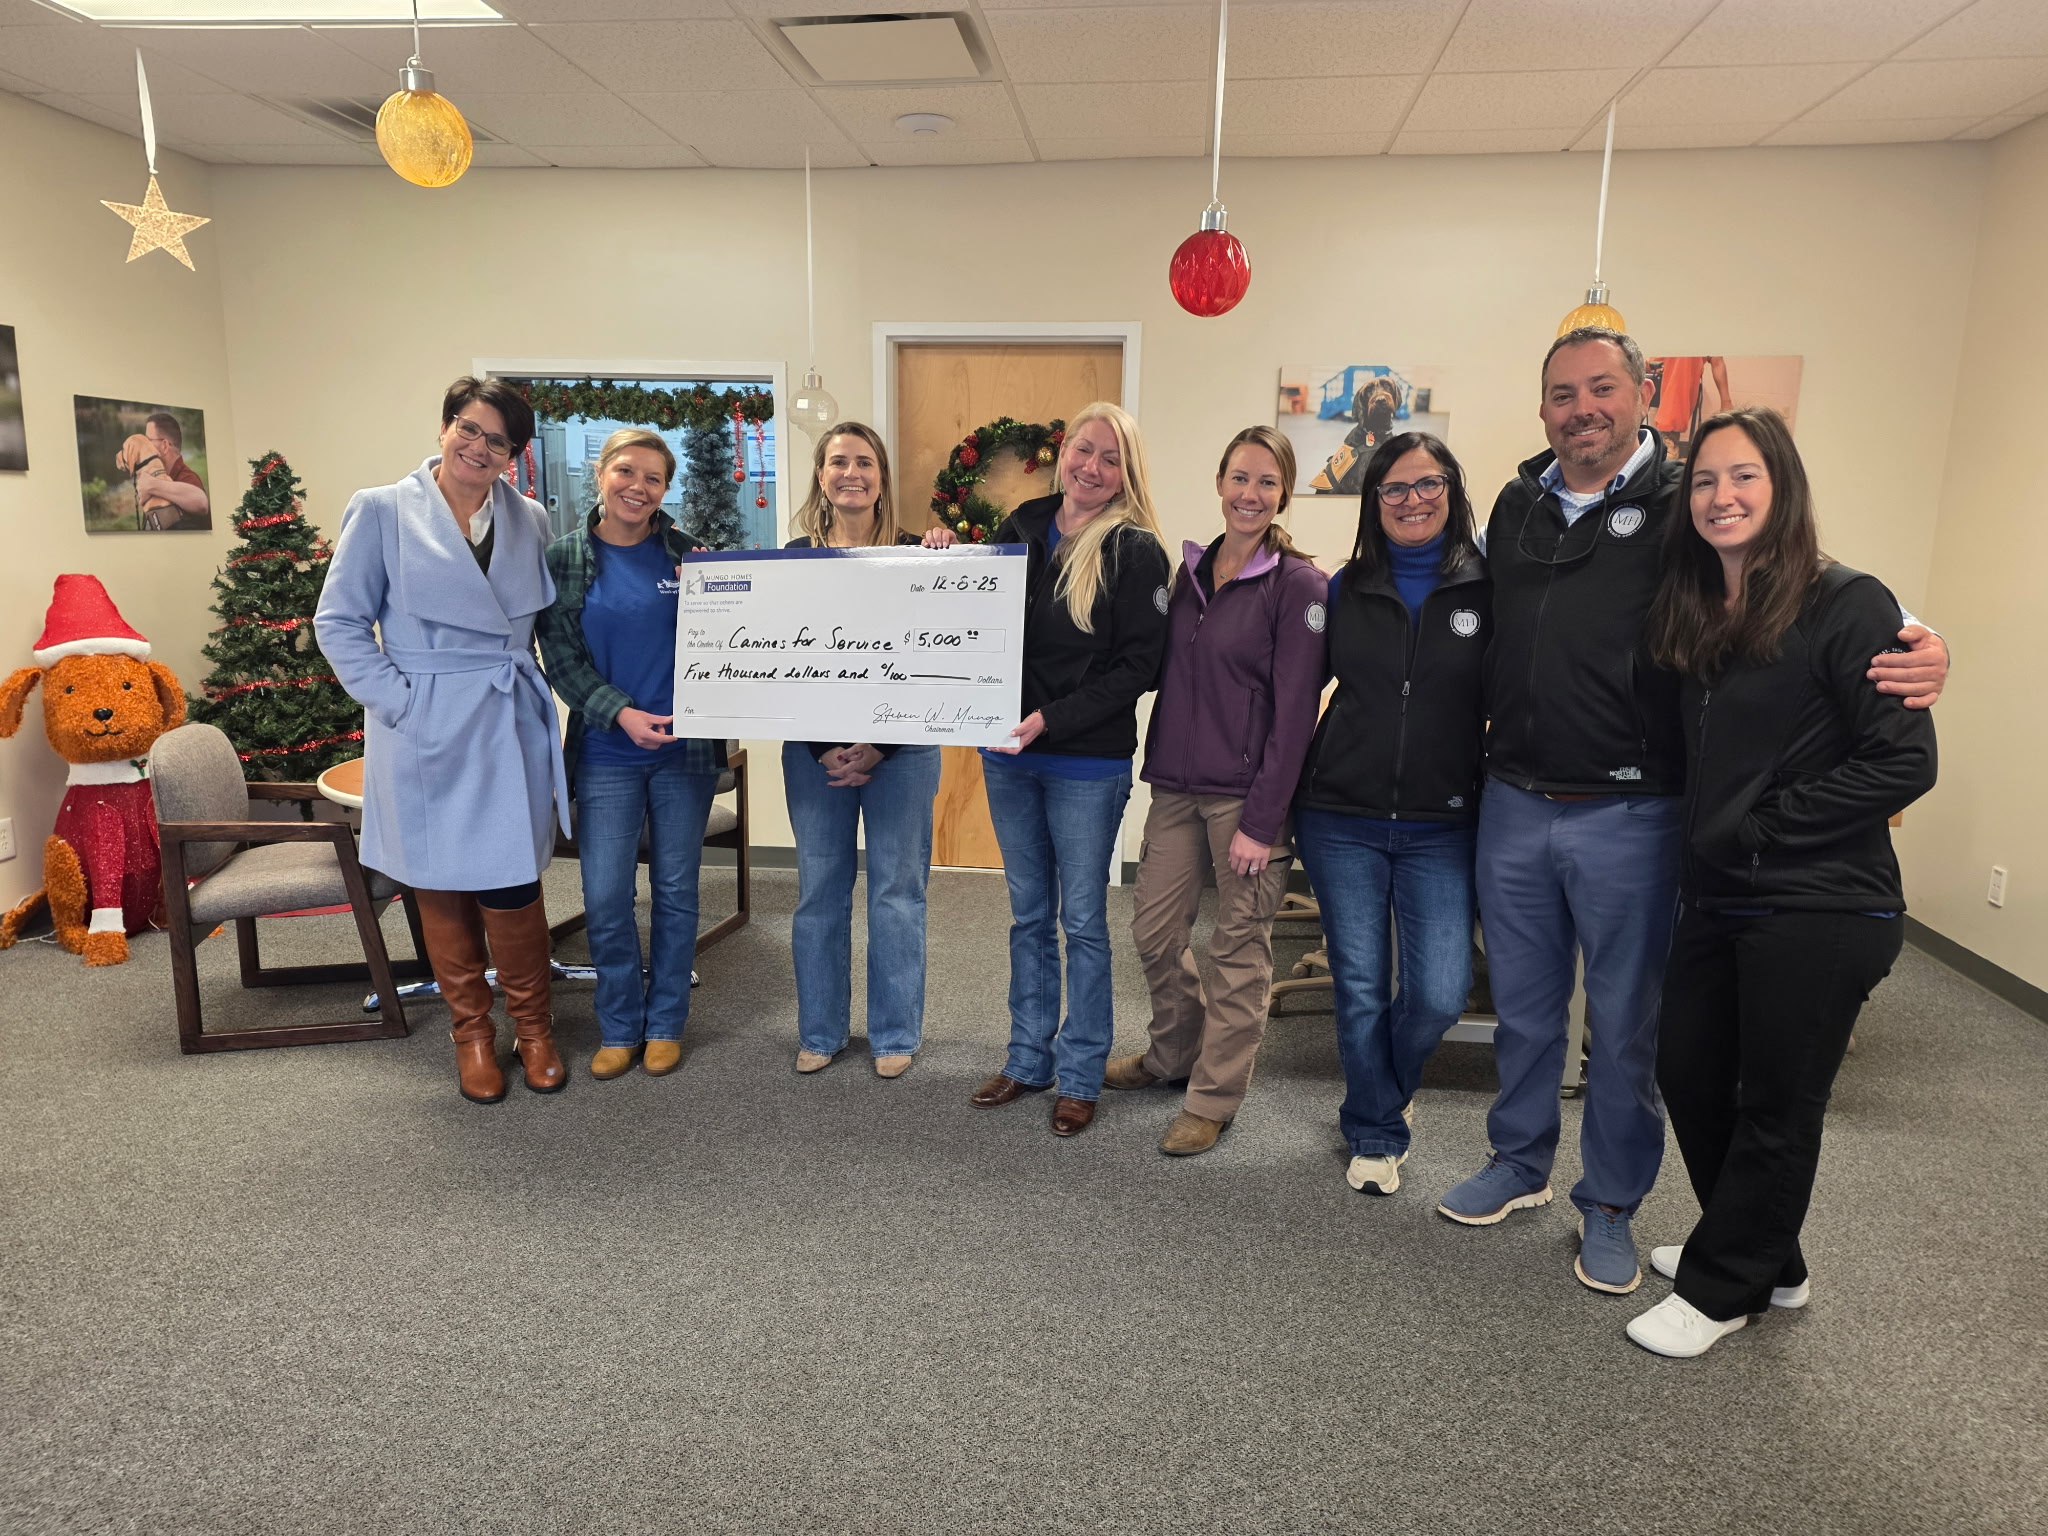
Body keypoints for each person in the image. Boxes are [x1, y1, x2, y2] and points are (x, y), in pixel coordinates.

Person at [1438, 327, 1949, 1296]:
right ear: (1539, 407)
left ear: (1638, 394)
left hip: (1633, 810)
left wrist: (1921, 636)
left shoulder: (1681, 503)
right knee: (1524, 1012)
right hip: (1513, 797)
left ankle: (1611, 1202)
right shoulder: (1514, 505)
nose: (1580, 409)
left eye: (1600, 389)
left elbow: (1801, 575)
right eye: (1560, 394)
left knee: (1626, 1024)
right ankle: (1517, 1162)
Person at [1625, 409, 1936, 1357]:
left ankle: (1728, 1290)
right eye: (1708, 480)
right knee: (1686, 1068)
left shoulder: (1846, 601)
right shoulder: (1700, 610)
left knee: (1776, 1098)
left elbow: (1903, 763)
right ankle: (1771, 1255)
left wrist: (1760, 827)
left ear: (1782, 487)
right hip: (1723, 894)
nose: (1723, 496)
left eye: (1745, 476)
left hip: (1823, 902)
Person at [316, 376, 570, 1104]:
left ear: (514, 454)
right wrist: (399, 703)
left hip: (506, 718)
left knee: (514, 880)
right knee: (439, 883)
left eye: (497, 439)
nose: (478, 446)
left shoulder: (532, 519)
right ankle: (471, 1034)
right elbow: (337, 623)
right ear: (444, 427)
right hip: (423, 721)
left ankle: (535, 1026)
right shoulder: (384, 510)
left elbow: (548, 627)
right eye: (469, 428)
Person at [1106, 425, 1325, 1155]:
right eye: (1239, 478)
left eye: (1266, 482)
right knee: (1154, 932)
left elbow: (1295, 716)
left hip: (1248, 799)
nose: (1250, 494)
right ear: (1220, 481)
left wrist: (1262, 823)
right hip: (1174, 783)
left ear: (1283, 493)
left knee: (1237, 949)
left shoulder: (1299, 585)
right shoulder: (1190, 573)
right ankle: (1172, 1055)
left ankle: (1213, 1095)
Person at [1290, 432, 1489, 1195]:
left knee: (1439, 992)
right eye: (1395, 489)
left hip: (1444, 821)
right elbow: (1295, 691)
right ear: (1374, 502)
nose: (1413, 500)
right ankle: (1375, 1129)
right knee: (1362, 986)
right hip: (1341, 813)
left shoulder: (1486, 587)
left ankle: (1379, 1089)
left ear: (1451, 489)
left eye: (1428, 484)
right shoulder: (1345, 588)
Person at [970, 402, 1171, 1137]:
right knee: (1029, 916)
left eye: (1110, 459)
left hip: (1085, 761)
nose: (1092, 467)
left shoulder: (1134, 549)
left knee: (1082, 921)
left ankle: (1081, 1072)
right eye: (1084, 450)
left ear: (1126, 473)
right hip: (1009, 758)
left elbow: (1139, 668)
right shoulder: (1022, 524)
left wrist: (1050, 719)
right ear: (1064, 452)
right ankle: (1028, 1059)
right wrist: (937, 559)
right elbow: (972, 620)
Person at [536, 428, 726, 1082]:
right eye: (626, 471)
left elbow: (736, 641)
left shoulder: (691, 555)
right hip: (608, 752)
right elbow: (559, 658)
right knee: (607, 893)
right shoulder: (563, 558)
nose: (637, 487)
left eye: (652, 478)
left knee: (676, 890)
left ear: (665, 488)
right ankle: (619, 1022)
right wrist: (620, 712)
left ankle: (667, 1021)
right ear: (602, 474)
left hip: (686, 754)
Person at [780, 422, 954, 1079]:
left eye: (863, 462)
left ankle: (894, 1034)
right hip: (813, 753)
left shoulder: (921, 555)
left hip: (903, 752)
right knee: (819, 890)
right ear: (821, 477)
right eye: (837, 462)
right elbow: (778, 666)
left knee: (897, 892)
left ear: (881, 478)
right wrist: (830, 745)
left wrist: (877, 745)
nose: (850, 473)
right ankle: (820, 1030)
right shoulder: (792, 558)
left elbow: (937, 658)